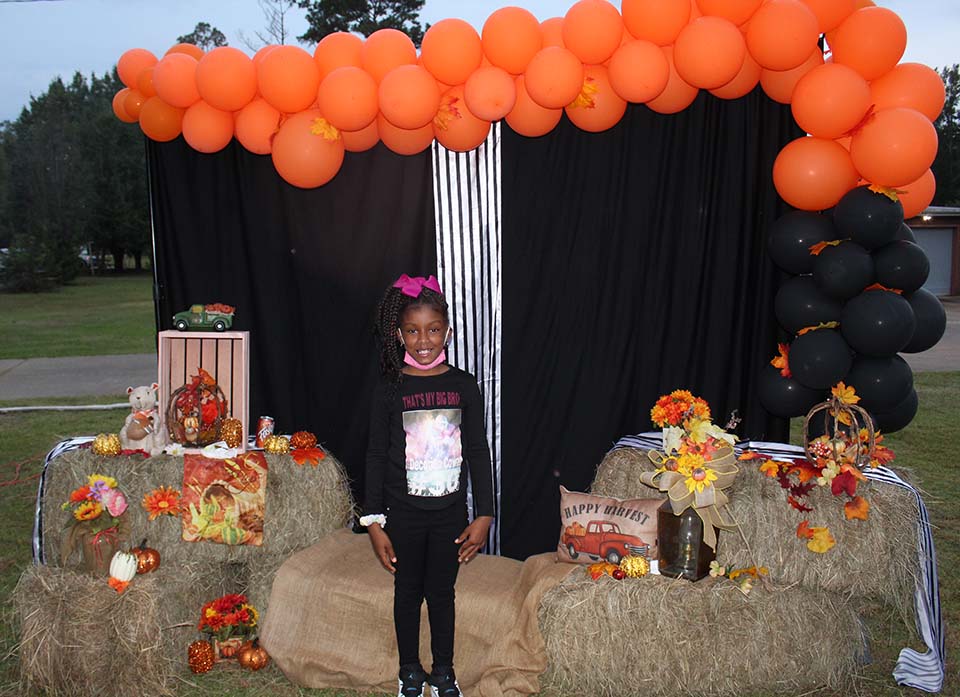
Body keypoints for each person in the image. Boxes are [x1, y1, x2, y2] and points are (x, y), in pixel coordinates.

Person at [361, 273, 494, 697]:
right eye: (414, 331)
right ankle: (409, 671)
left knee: (441, 594)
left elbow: (478, 451)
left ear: (447, 332)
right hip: (402, 515)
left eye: (433, 330)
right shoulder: (389, 388)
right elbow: (375, 455)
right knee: (406, 593)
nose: (424, 340)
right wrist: (373, 522)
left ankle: (443, 672)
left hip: (450, 515)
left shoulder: (463, 385)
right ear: (400, 335)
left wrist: (485, 514)